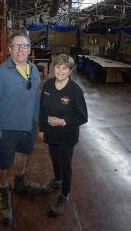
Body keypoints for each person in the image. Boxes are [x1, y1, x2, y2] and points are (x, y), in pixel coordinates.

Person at [0, 32, 41, 226]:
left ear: (29, 49)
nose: (20, 49)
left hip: (28, 126)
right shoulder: (1, 73)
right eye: (16, 46)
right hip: (7, 128)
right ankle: (3, 191)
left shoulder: (34, 70)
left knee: (24, 154)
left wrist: (36, 123)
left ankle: (19, 182)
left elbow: (36, 98)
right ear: (9, 50)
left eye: (24, 46)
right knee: (4, 163)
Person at [39, 54, 88, 216]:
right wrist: (42, 128)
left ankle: (65, 194)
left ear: (70, 71)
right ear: (54, 67)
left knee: (65, 163)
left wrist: (63, 121)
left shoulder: (75, 91)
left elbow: (83, 117)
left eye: (64, 67)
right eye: (58, 66)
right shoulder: (48, 85)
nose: (60, 70)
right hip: (51, 133)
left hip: (67, 135)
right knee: (54, 158)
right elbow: (42, 108)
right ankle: (57, 180)